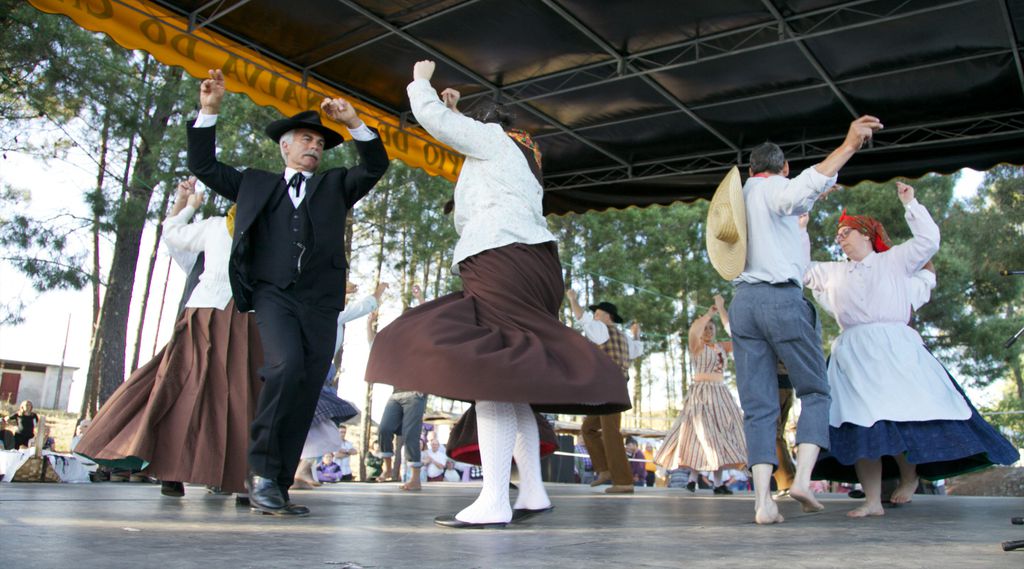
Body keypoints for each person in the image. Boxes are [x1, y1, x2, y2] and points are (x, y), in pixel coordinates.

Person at [365, 60, 630, 529]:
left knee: (490, 373)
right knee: (512, 376)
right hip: (533, 262)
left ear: (485, 125)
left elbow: (437, 123)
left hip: (500, 256)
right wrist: (457, 112)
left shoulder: (493, 140)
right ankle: (531, 491)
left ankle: (493, 500)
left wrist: (421, 83)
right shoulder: (522, 156)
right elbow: (462, 135)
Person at [186, 69, 390, 516]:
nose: (314, 146)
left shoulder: (336, 185)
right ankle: (260, 473)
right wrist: (209, 110)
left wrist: (354, 123)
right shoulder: (255, 183)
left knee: (306, 385)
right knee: (285, 367)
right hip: (272, 294)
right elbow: (203, 166)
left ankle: (276, 485)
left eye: (319, 142)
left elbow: (375, 165)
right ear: (285, 146)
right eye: (306, 139)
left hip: (321, 301)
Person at [707, 115, 884, 524]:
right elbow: (803, 187)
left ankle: (762, 502)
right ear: (783, 168)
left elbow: (785, 214)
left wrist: (807, 205)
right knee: (815, 392)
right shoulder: (776, 188)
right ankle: (802, 479)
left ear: (750, 169)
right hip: (780, 300)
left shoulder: (741, 198)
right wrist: (848, 145)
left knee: (758, 405)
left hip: (744, 303)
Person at [804, 182, 1020, 517]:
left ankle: (910, 477)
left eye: (846, 232)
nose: (840, 238)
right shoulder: (833, 272)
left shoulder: (893, 261)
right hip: (853, 354)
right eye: (838, 235)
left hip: (895, 350)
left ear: (867, 234)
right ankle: (872, 500)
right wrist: (801, 218)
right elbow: (798, 268)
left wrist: (911, 204)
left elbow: (928, 241)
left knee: (904, 417)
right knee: (861, 425)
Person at [74, 179, 263, 499]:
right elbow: (173, 235)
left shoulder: (271, 234)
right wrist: (185, 205)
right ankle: (169, 469)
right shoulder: (214, 228)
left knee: (241, 395)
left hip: (247, 319)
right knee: (183, 390)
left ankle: (237, 477)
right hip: (206, 316)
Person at [294, 282, 386, 488]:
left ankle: (303, 469)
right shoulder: (330, 314)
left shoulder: (316, 312)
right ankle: (302, 468)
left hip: (314, 370)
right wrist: (378, 292)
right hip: (317, 372)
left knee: (316, 425)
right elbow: (364, 306)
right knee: (323, 426)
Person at [655, 295, 746, 496]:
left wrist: (722, 309)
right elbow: (693, 331)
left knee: (721, 435)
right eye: (705, 328)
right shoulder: (697, 346)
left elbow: (739, 338)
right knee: (700, 434)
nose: (708, 331)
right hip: (701, 394)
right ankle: (692, 479)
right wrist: (708, 315)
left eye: (711, 328)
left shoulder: (721, 346)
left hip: (720, 394)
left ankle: (717, 483)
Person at [566, 292, 645, 494]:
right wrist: (636, 333)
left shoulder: (601, 329)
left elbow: (581, 318)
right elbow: (637, 349)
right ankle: (605, 469)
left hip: (608, 385)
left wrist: (573, 300)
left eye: (598, 313)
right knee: (589, 429)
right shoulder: (624, 338)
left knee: (611, 432)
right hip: (614, 386)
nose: (595, 316)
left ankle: (624, 481)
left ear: (607, 316)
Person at [376, 284, 429, 491]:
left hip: (415, 393)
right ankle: (388, 468)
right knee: (384, 428)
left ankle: (415, 478)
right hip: (396, 393)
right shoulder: (397, 342)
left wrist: (420, 298)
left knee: (410, 435)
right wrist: (369, 324)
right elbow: (375, 344)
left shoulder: (422, 340)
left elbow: (429, 320)